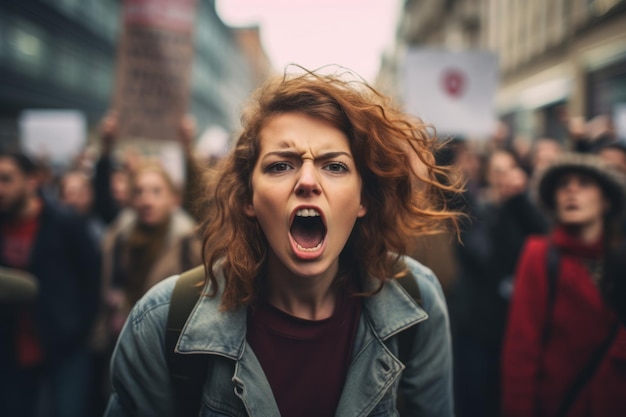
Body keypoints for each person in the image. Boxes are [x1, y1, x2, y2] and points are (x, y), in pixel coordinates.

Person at [104, 68, 463, 416]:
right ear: (248, 199)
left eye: (334, 166)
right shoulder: (161, 321)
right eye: (281, 165)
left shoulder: (418, 302)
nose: (307, 181)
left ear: (363, 200)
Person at [501, 152, 626, 417]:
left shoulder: (619, 260)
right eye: (563, 184)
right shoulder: (539, 255)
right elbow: (521, 350)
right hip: (560, 405)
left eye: (584, 183)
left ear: (605, 201)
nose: (571, 190)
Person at [0, 150, 101, 417]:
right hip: (13, 347)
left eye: (7, 179)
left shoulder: (65, 223)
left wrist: (77, 329)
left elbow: (92, 279)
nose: (0, 189)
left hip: (64, 346)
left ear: (31, 181)